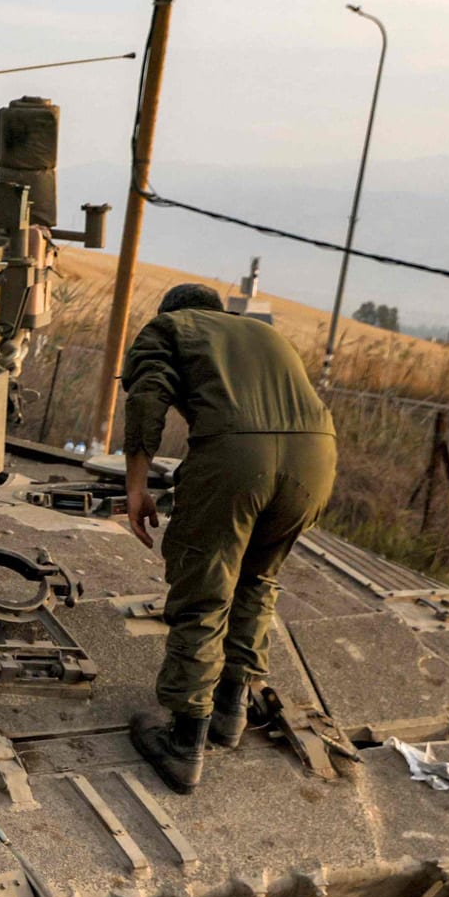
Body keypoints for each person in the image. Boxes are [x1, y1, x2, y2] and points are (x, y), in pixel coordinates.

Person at [120, 283, 337, 793]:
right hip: (316, 460)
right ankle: (229, 712)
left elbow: (146, 398)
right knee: (257, 579)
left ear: (173, 313)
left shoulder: (170, 327)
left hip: (239, 461)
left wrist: (135, 488)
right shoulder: (265, 335)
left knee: (205, 590)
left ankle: (184, 745)